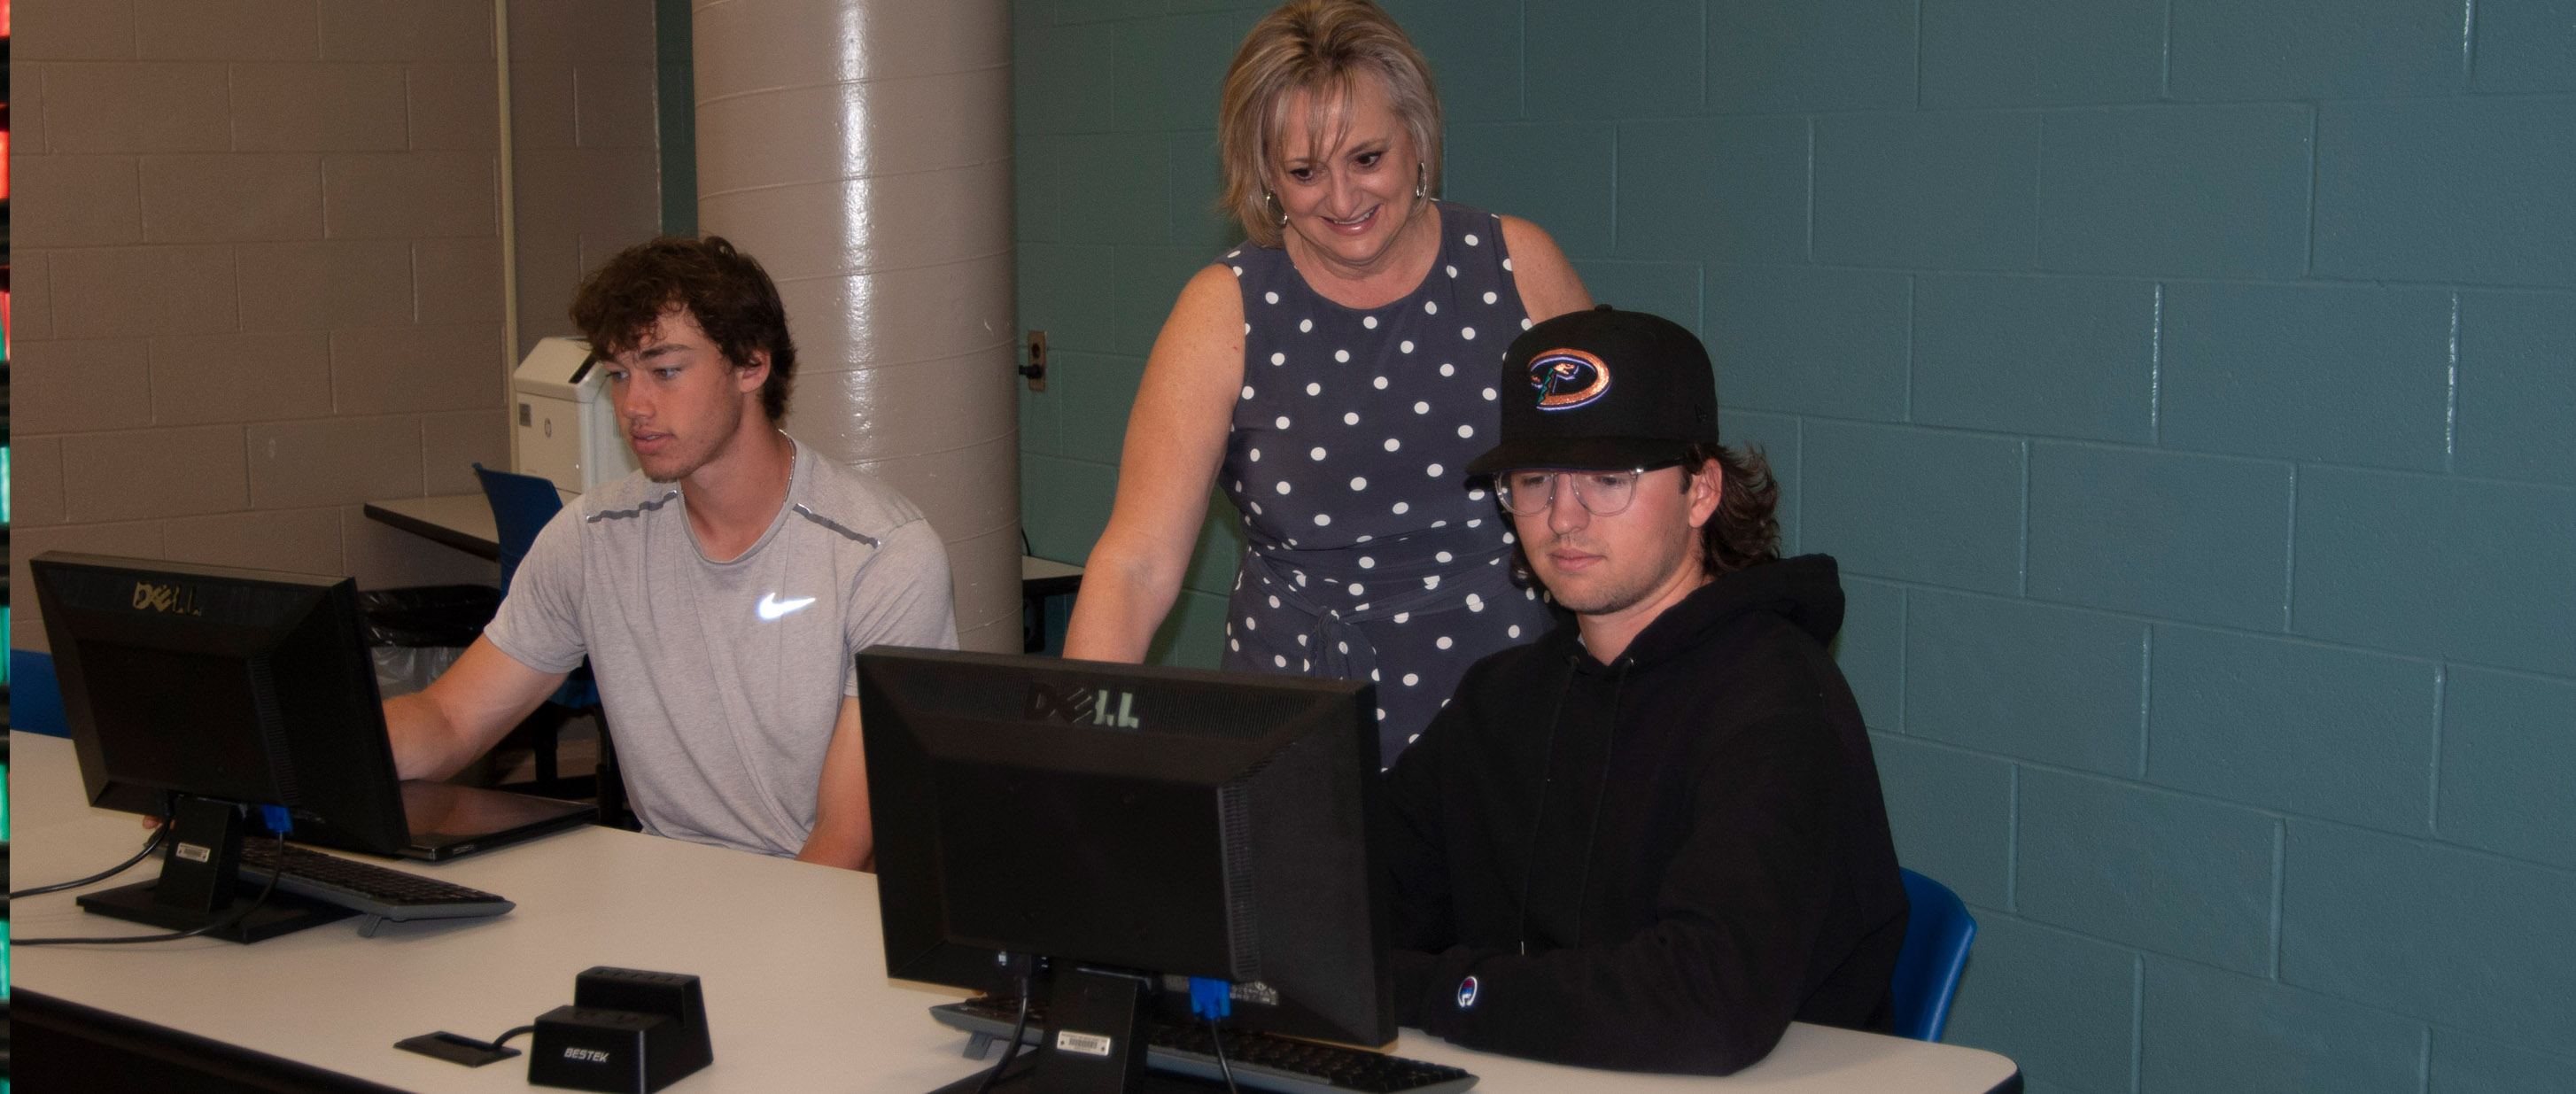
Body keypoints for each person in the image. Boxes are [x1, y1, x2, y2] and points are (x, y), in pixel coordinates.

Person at [1062, 0, 1594, 768]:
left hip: (1514, 724)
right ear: (1265, 174)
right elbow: (1137, 563)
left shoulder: (1516, 266)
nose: (1342, 202)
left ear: (1418, 138)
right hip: (1301, 733)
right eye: (1305, 172)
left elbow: (1621, 489)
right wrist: (1082, 750)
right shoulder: (1223, 310)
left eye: (1367, 158)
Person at [1380, 307, 1909, 1074]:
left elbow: (1706, 1004)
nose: (1564, 516)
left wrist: (1448, 990)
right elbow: (1356, 895)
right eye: (1533, 481)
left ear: (1701, 492)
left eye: (1608, 478)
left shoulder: (1777, 699)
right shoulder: (1502, 699)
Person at [384, 237, 958, 871]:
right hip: (669, 897)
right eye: (619, 374)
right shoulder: (591, 538)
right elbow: (448, 718)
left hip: (821, 902)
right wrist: (303, 745)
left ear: (752, 365)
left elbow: (844, 842)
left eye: (665, 370)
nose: (634, 404)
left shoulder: (884, 555)